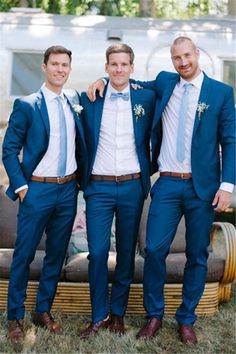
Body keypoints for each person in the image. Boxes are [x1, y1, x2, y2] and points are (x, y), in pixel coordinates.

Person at [87, 36, 235, 344]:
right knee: (154, 249)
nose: (183, 62)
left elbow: (230, 141)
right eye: (176, 58)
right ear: (172, 61)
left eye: (186, 55)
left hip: (202, 187)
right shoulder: (166, 83)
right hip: (166, 182)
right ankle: (154, 315)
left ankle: (186, 318)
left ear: (197, 54)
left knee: (197, 254)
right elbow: (125, 77)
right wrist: (102, 78)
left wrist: (227, 185)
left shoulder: (221, 93)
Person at [2, 45, 87, 344]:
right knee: (23, 256)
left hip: (67, 190)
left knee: (56, 255)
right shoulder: (27, 105)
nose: (60, 69)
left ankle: (42, 310)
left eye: (65, 65)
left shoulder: (75, 100)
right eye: (55, 64)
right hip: (36, 189)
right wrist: (23, 187)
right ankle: (14, 317)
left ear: (69, 68)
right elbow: (9, 150)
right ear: (44, 66)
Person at [79, 43, 156, 339]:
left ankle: (118, 315)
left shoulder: (146, 97)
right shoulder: (90, 99)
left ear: (132, 68)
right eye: (114, 64)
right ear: (107, 66)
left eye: (125, 64)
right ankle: (99, 315)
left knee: (125, 253)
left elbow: (172, 80)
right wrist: (99, 80)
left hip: (132, 186)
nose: (119, 69)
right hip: (97, 187)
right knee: (97, 253)